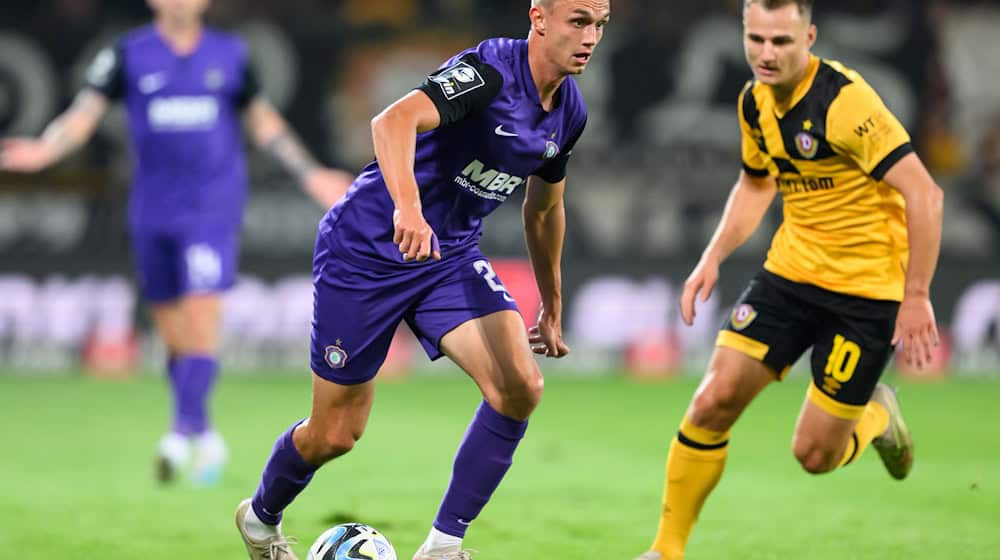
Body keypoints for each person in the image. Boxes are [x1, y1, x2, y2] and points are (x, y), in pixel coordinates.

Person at [233, 0, 610, 558]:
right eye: (579, 20)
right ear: (539, 18)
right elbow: (392, 121)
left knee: (519, 388)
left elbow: (544, 209)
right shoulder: (486, 73)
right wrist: (407, 208)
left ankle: (442, 546)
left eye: (600, 24)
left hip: (448, 255)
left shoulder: (568, 111)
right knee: (335, 434)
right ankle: (260, 519)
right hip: (366, 249)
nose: (590, 37)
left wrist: (551, 304)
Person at [635, 1, 943, 559]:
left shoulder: (847, 103)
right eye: (757, 40)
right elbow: (757, 185)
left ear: (810, 36)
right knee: (711, 402)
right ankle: (665, 551)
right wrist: (713, 257)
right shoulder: (753, 102)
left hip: (866, 291)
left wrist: (916, 295)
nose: (766, 54)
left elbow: (924, 193)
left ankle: (878, 414)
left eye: (781, 41)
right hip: (791, 274)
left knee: (815, 456)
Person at [0, 0, 353, 485]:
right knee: (174, 334)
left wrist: (311, 174)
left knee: (201, 317)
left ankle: (179, 433)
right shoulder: (127, 53)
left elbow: (264, 122)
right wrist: (46, 147)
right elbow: (83, 115)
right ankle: (204, 433)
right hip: (151, 210)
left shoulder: (230, 55)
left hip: (211, 209)